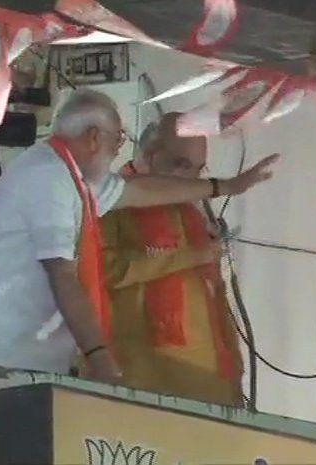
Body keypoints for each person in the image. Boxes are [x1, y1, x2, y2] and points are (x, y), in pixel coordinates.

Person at [0, 89, 278, 382]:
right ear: (94, 137)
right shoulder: (49, 178)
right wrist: (100, 356)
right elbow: (64, 278)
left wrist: (225, 187)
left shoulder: (76, 178)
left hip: (23, 350)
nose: (119, 151)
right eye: (118, 140)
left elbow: (140, 190)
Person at [101, 112, 244, 406]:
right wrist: (189, 256)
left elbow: (213, 294)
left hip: (213, 377)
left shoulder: (191, 209)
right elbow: (107, 272)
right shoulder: (111, 202)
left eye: (198, 170)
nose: (191, 179)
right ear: (150, 155)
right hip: (150, 378)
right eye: (182, 165)